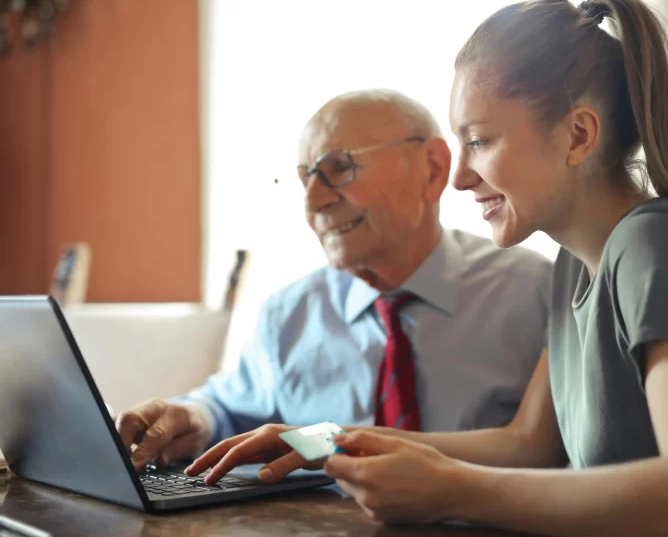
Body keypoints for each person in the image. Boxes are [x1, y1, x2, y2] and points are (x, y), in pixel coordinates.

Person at [186, 0, 668, 534]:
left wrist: (449, 491)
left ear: (578, 136)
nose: (461, 175)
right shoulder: (573, 268)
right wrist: (322, 441)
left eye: (480, 139)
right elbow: (529, 444)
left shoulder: (655, 245)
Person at [114, 89, 552, 472]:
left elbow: (549, 453)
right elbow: (229, 408)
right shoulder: (289, 313)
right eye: (306, 178)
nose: (314, 203)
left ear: (433, 169)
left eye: (338, 168)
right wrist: (192, 418)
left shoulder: (535, 293)